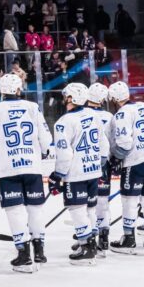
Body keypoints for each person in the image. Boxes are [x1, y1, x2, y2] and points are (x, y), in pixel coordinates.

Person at [0, 72, 52, 272]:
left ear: (1, 90)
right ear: (19, 88)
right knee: (35, 209)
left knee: (15, 211)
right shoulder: (33, 107)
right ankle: (39, 251)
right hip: (32, 166)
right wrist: (43, 152)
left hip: (8, 168)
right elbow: (46, 139)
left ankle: (24, 254)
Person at [49, 83, 107, 265]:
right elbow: (103, 142)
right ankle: (92, 243)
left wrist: (57, 175)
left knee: (77, 209)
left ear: (70, 98)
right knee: (90, 209)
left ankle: (86, 247)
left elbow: (65, 154)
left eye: (65, 96)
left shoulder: (63, 122)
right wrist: (99, 162)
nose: (63, 99)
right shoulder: (93, 114)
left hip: (76, 173)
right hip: (93, 170)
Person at [107, 81, 144, 255]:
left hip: (135, 162)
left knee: (129, 200)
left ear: (115, 98)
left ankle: (129, 238)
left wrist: (116, 158)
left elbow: (124, 142)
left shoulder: (122, 113)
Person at [86, 83, 115, 254]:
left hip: (84, 163)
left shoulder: (81, 114)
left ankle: (88, 239)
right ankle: (104, 239)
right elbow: (112, 141)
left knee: (85, 204)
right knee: (102, 202)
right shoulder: (109, 116)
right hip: (104, 164)